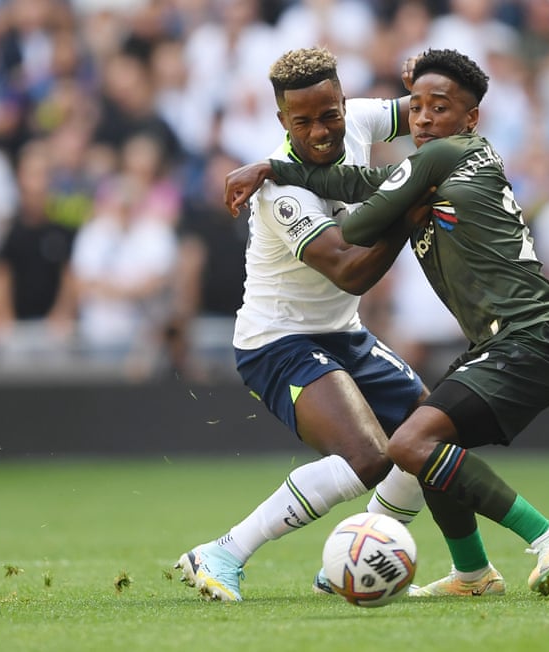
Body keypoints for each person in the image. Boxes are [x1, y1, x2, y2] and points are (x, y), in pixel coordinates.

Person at [230, 49, 549, 597]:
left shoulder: (437, 158)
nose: (421, 118)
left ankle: (548, 539)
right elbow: (368, 182)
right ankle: (473, 575)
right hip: (513, 337)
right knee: (426, 440)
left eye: (439, 108)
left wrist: (378, 205)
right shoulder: (448, 158)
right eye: (416, 107)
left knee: (411, 443)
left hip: (529, 337)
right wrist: (273, 168)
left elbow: (359, 225)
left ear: (470, 116)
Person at [175, 47, 432, 602]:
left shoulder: (362, 119)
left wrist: (430, 76)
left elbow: (428, 110)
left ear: (344, 103)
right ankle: (222, 552)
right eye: (303, 121)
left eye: (330, 115)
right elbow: (349, 272)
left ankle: (350, 561)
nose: (320, 131)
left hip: (343, 333)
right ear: (281, 121)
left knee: (428, 435)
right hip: (278, 340)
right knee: (366, 457)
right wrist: (410, 208)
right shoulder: (281, 193)